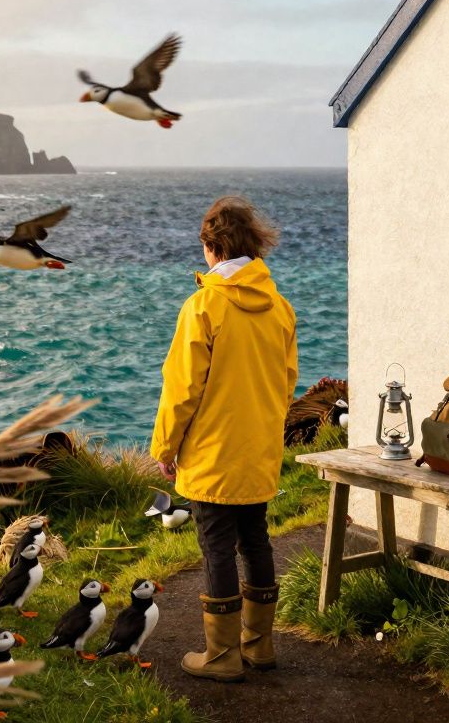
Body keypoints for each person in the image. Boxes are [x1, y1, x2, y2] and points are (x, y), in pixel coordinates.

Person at [150, 195, 298, 682]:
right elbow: (286, 380)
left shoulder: (203, 305)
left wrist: (165, 448)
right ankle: (259, 646)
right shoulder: (279, 307)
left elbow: (181, 388)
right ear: (254, 245)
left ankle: (221, 656)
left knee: (216, 547)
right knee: (256, 541)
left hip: (213, 451)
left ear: (212, 247)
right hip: (259, 448)